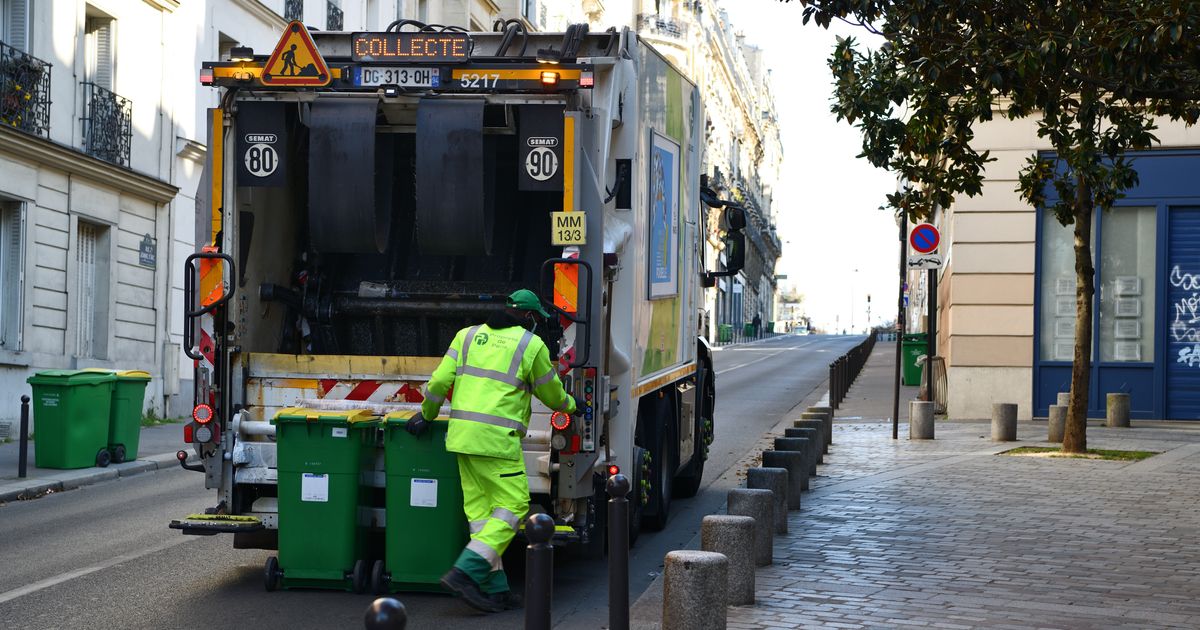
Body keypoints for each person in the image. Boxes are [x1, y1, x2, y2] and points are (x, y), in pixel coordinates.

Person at [406, 289, 581, 613]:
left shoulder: (467, 336)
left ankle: (494, 587)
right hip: (497, 442)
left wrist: (427, 415)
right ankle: (466, 571)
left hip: (462, 439)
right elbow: (552, 394)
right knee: (514, 507)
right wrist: (574, 405)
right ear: (529, 318)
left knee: (482, 514)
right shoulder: (531, 345)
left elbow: (438, 383)